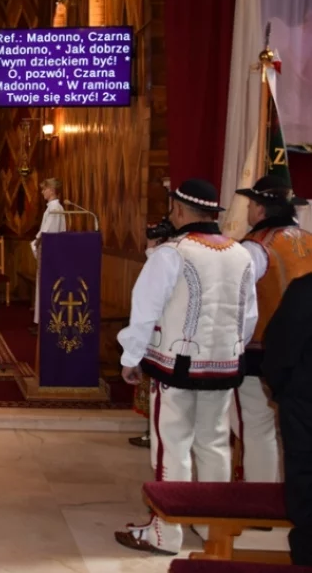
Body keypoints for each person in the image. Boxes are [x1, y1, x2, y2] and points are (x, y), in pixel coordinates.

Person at [114, 178, 257, 555]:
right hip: (223, 366)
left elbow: (144, 310)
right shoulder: (242, 254)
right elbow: (248, 316)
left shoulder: (172, 253)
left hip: (176, 367)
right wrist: (228, 350)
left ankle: (166, 531)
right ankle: (213, 526)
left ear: (178, 210)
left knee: (172, 445)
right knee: (214, 444)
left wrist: (131, 358)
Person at [233, 175, 312, 483]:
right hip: (306, 351)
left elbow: (241, 302)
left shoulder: (256, 247)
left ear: (261, 210)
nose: (249, 211)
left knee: (256, 427)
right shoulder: (307, 238)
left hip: (263, 349)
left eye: (251, 204)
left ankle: (260, 500)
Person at [263, 271, 312, 565]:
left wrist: (285, 391)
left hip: (306, 406)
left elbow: (279, 349)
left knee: (306, 488)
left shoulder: (306, 289)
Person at [31, 178, 66, 330]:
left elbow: (47, 233)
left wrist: (35, 242)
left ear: (51, 190)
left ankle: (44, 323)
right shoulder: (52, 208)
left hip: (49, 254)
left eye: (44, 189)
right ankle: (42, 322)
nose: (42, 192)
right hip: (51, 253)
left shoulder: (54, 209)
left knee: (46, 289)